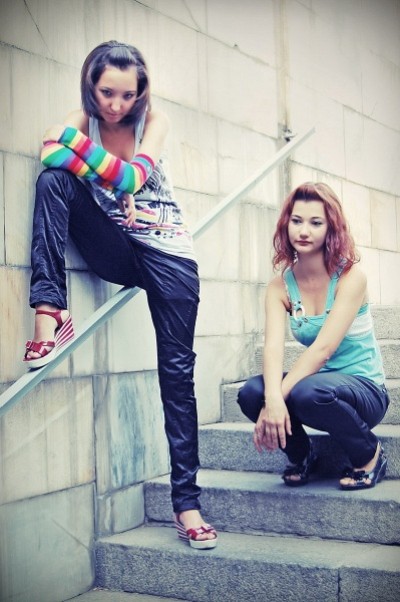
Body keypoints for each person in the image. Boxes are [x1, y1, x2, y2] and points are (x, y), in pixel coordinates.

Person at [23, 40, 217, 549]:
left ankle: (187, 504)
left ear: (140, 93)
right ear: (91, 85)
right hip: (118, 248)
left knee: (176, 376)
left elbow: (132, 174)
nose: (115, 105)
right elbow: (50, 155)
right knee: (51, 181)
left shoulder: (154, 121)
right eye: (106, 92)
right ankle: (49, 311)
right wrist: (100, 169)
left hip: (170, 253)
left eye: (127, 95)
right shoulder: (83, 119)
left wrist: (80, 150)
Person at [237, 182, 390, 490]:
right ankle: (303, 455)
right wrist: (270, 397)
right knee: (252, 393)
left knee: (306, 392)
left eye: (315, 223)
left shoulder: (351, 277)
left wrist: (276, 399)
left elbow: (323, 349)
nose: (304, 231)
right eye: (297, 221)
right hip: (319, 387)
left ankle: (369, 455)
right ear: (286, 224)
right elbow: (272, 349)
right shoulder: (280, 287)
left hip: (364, 390)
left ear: (331, 228)